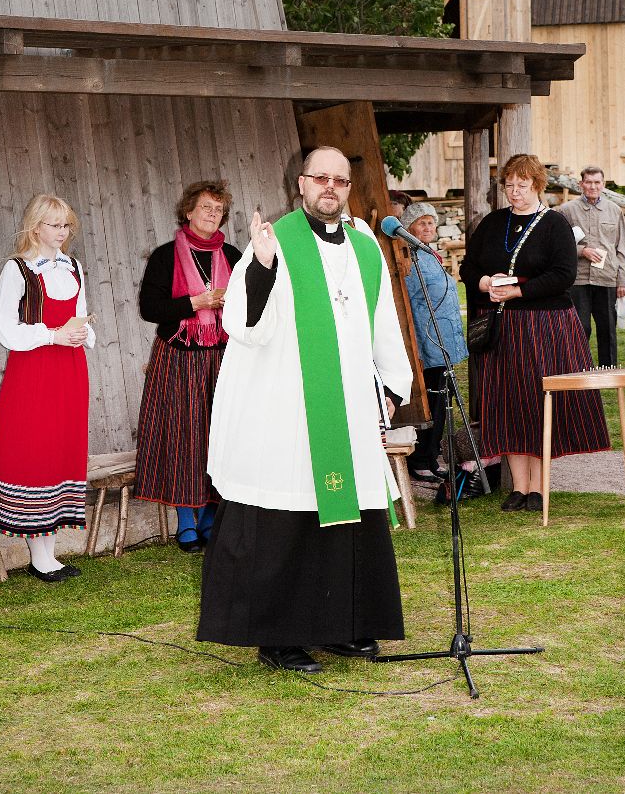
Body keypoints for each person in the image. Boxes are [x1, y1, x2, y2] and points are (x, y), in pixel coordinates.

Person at [197, 146, 412, 675]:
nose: (331, 188)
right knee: (288, 516)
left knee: (349, 519)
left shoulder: (366, 246)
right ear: (301, 183)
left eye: (340, 180)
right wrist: (263, 264)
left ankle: (343, 626)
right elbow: (242, 324)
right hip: (288, 406)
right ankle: (280, 637)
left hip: (350, 404)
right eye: (321, 178)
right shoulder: (276, 241)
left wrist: (392, 381)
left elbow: (382, 319)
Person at [460, 154, 609, 512]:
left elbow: (563, 274)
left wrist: (518, 291)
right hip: (502, 328)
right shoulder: (493, 223)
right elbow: (468, 267)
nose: (514, 193)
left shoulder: (555, 224)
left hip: (545, 326)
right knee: (507, 402)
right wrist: (485, 282)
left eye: (522, 186)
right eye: (509, 185)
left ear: (537, 185)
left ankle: (540, 488)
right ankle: (518, 487)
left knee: (538, 402)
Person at [0, 195, 94, 582]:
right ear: (35, 227)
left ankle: (50, 553)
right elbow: (2, 328)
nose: (61, 232)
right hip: (33, 369)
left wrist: (82, 333)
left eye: (66, 225)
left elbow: (80, 312)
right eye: (53, 225)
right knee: (35, 448)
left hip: (70, 369)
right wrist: (51, 335)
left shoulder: (74, 266)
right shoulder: (18, 270)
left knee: (60, 447)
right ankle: (40, 557)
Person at [135, 181, 241, 551]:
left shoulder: (232, 254)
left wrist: (232, 304)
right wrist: (194, 303)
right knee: (183, 435)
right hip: (179, 355)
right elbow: (150, 309)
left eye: (219, 210)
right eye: (207, 208)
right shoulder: (166, 256)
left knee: (221, 433)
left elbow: (252, 304)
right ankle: (185, 521)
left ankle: (211, 517)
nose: (213, 215)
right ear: (188, 212)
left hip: (224, 356)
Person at [400, 202, 466, 482]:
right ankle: (420, 459)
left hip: (445, 340)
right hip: (429, 343)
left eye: (431, 222)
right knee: (433, 402)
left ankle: (431, 456)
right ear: (410, 228)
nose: (428, 228)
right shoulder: (410, 258)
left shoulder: (430, 254)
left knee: (444, 401)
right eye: (421, 223)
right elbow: (411, 307)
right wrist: (421, 349)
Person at [559, 166, 625, 366]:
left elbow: (622, 248)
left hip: (607, 278)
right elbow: (558, 247)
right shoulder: (567, 211)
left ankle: (608, 371)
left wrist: (623, 281)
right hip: (578, 279)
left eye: (596, 182)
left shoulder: (614, 211)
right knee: (580, 327)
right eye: (588, 182)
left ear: (603, 184)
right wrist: (582, 251)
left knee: (607, 327)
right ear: (581, 184)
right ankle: (579, 368)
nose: (592, 186)